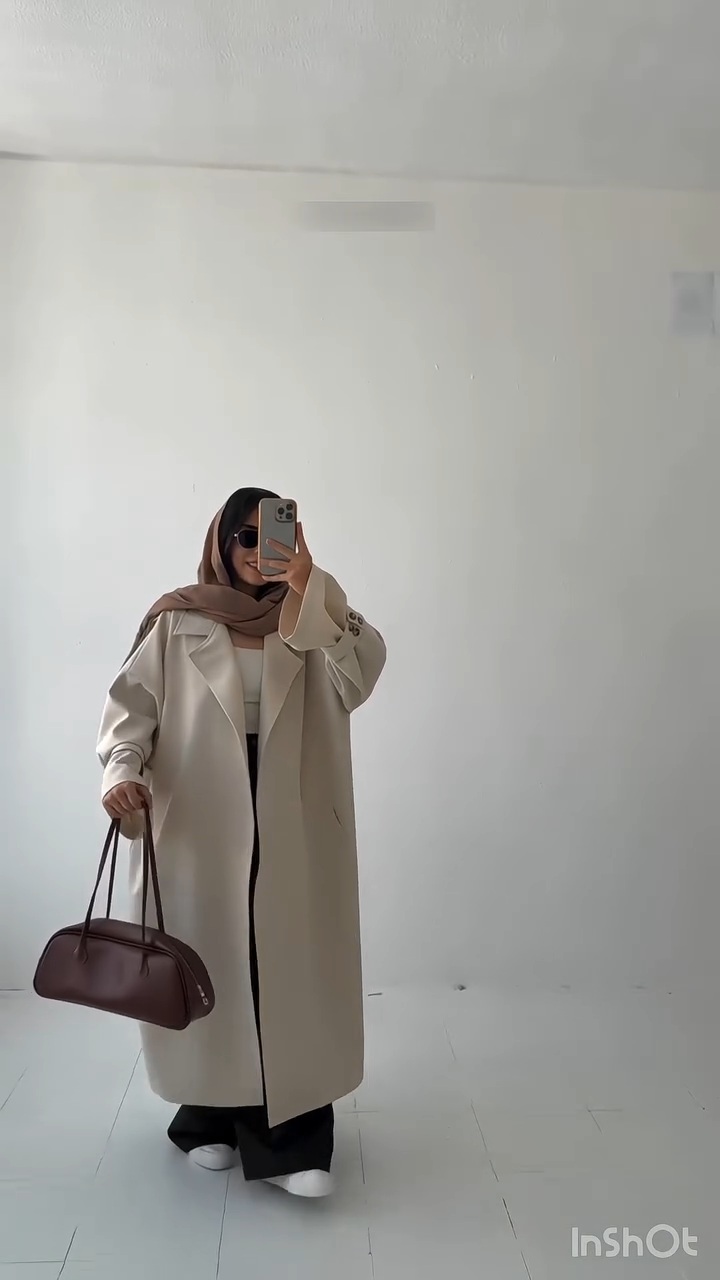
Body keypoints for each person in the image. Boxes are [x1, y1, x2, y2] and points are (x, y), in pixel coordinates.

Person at [97, 487, 386, 1197]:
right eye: (246, 537)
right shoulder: (178, 620)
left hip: (294, 813)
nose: (261, 551)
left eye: (274, 535)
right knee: (209, 961)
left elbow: (361, 676)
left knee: (290, 968)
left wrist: (311, 587)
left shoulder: (313, 618)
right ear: (222, 545)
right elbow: (131, 710)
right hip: (199, 816)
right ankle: (207, 1119)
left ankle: (295, 1143)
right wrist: (122, 772)